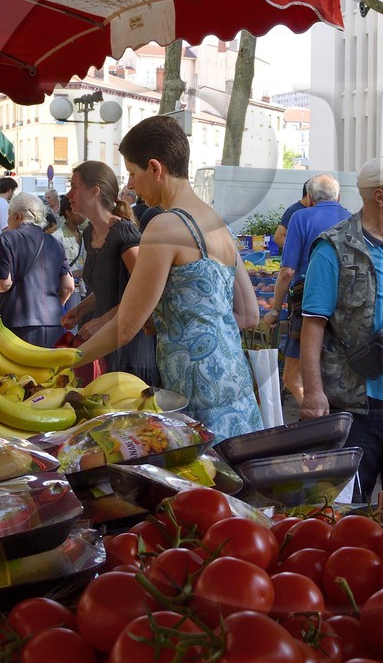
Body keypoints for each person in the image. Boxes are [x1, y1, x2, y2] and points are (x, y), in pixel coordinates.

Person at [75, 116, 262, 439]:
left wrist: (64, 362)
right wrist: (176, 319)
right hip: (236, 388)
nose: (130, 185)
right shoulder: (219, 224)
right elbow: (249, 315)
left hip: (193, 394)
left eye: (133, 173)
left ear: (155, 168)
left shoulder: (164, 226)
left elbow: (126, 328)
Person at [299, 156, 383, 504]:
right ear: (380, 196)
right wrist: (313, 392)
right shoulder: (334, 247)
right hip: (357, 402)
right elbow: (313, 324)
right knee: (346, 509)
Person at [62, 160, 159, 387]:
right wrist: (81, 308)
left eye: (75, 186)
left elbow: (143, 292)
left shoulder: (123, 233)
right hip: (104, 342)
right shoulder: (89, 234)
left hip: (129, 349)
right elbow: (111, 286)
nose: (69, 194)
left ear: (94, 191)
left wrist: (103, 320)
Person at [264, 173, 349, 409]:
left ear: (310, 198)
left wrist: (274, 309)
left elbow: (287, 271)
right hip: (346, 308)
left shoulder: (301, 217)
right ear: (339, 196)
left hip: (306, 307)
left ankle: (322, 424)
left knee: (292, 378)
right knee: (331, 376)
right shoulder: (354, 220)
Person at [0, 192, 73, 349]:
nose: (7, 220)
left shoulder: (6, 239)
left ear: (17, 216)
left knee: (19, 372)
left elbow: (4, 283)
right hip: (54, 322)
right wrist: (54, 304)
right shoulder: (55, 243)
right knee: (50, 371)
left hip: (18, 321)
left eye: (9, 215)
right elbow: (68, 286)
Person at [274, 180, 314, 251]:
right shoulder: (294, 211)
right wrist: (297, 251)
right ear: (309, 195)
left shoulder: (313, 210)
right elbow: (278, 237)